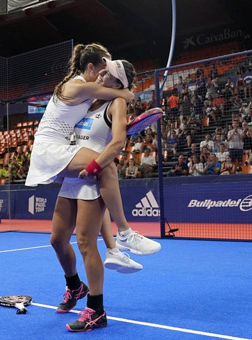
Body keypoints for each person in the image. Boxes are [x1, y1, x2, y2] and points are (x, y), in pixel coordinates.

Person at [24, 44, 158, 256]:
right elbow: (128, 95)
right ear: (90, 68)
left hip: (56, 147)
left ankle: (113, 250)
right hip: (50, 149)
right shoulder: (80, 87)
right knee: (106, 167)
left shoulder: (85, 90)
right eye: (103, 68)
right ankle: (124, 232)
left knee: (98, 180)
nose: (104, 73)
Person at [50, 59, 144, 332]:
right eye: (102, 69)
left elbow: (117, 142)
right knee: (57, 239)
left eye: (109, 72)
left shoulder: (117, 103)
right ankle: (75, 286)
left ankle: (96, 310)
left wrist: (96, 165)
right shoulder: (89, 100)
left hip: (92, 178)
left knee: (85, 243)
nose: (102, 72)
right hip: (71, 176)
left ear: (119, 82)